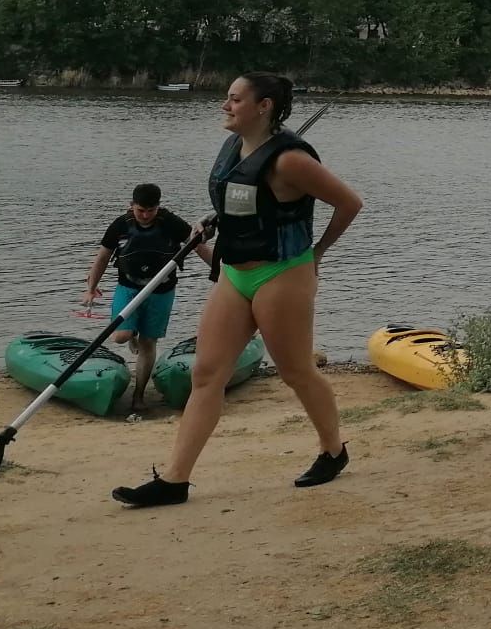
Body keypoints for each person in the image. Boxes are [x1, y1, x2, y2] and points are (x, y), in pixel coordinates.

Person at [112, 74, 362, 508]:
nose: (224, 105)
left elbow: (349, 203)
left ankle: (333, 450)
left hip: (282, 274)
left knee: (296, 372)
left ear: (263, 106)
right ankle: (175, 480)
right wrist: (214, 223)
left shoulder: (291, 161)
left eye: (234, 98)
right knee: (206, 374)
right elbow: (246, 200)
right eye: (226, 98)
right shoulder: (234, 146)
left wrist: (317, 253)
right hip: (235, 274)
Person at [83, 184, 211, 413]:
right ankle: (131, 333)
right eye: (140, 210)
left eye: (150, 210)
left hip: (161, 291)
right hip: (129, 287)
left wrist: (221, 272)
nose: (144, 215)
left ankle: (139, 395)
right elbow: (102, 257)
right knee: (121, 336)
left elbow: (198, 247)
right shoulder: (120, 225)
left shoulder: (171, 222)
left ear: (158, 207)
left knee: (148, 343)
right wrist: (91, 288)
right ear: (131, 205)